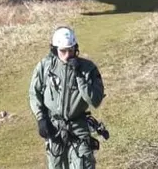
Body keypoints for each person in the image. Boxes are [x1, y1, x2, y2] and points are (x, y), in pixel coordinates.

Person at [28, 25, 106, 169]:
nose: (67, 55)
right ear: (54, 50)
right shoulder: (45, 67)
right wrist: (41, 119)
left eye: (71, 50)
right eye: (63, 51)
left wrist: (79, 76)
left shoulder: (88, 69)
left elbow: (95, 100)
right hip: (55, 130)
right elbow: (34, 93)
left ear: (76, 48)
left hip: (79, 129)